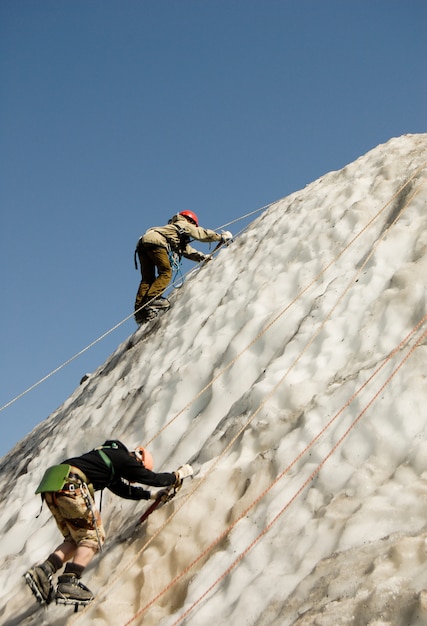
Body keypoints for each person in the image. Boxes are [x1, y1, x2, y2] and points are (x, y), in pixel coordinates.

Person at [24, 440, 193, 605]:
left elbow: (123, 490)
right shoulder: (124, 458)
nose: (131, 478)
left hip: (54, 486)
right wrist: (176, 476)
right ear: (138, 459)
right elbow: (151, 478)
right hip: (72, 484)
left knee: (76, 539)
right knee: (92, 538)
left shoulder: (108, 459)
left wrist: (152, 496)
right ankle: (69, 581)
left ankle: (44, 570)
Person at [134, 210, 232, 324]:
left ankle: (140, 312)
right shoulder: (183, 223)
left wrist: (202, 257)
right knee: (166, 272)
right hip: (157, 242)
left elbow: (187, 251)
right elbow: (200, 234)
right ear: (190, 220)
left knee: (147, 279)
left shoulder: (174, 230)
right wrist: (220, 237)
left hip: (143, 244)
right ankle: (153, 299)